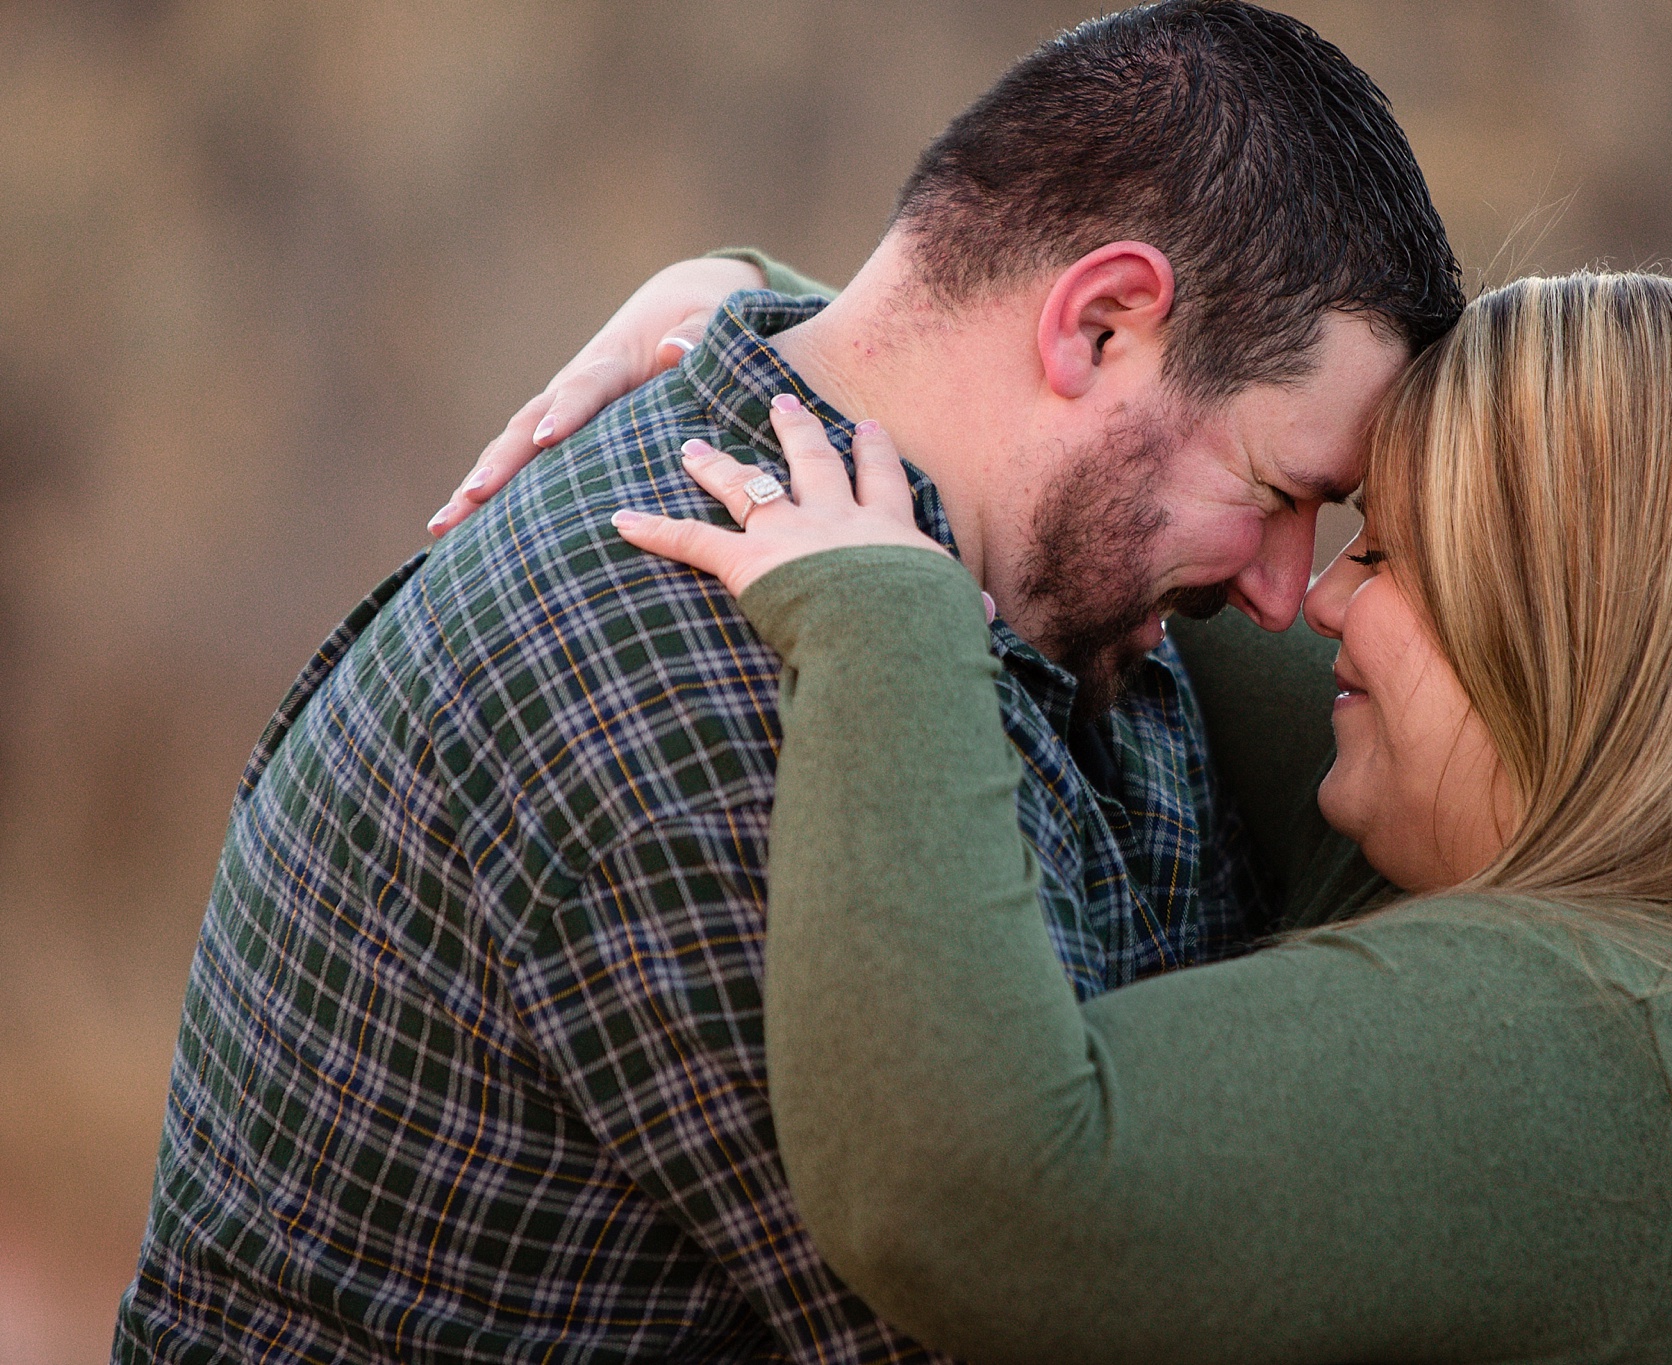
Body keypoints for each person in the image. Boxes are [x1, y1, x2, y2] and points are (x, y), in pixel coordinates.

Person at [114, 4, 1463, 1361]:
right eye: (1280, 493)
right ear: (1101, 324)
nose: (1286, 596)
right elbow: (1035, 1316)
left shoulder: (1044, 579)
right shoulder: (709, 701)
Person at [607, 273, 1672, 1362]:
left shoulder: (1600, 1048)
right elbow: (1144, 539)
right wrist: (826, 338)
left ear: (1567, 645)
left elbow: (969, 1190)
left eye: (1389, 552)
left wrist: (878, 624)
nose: (1318, 595)